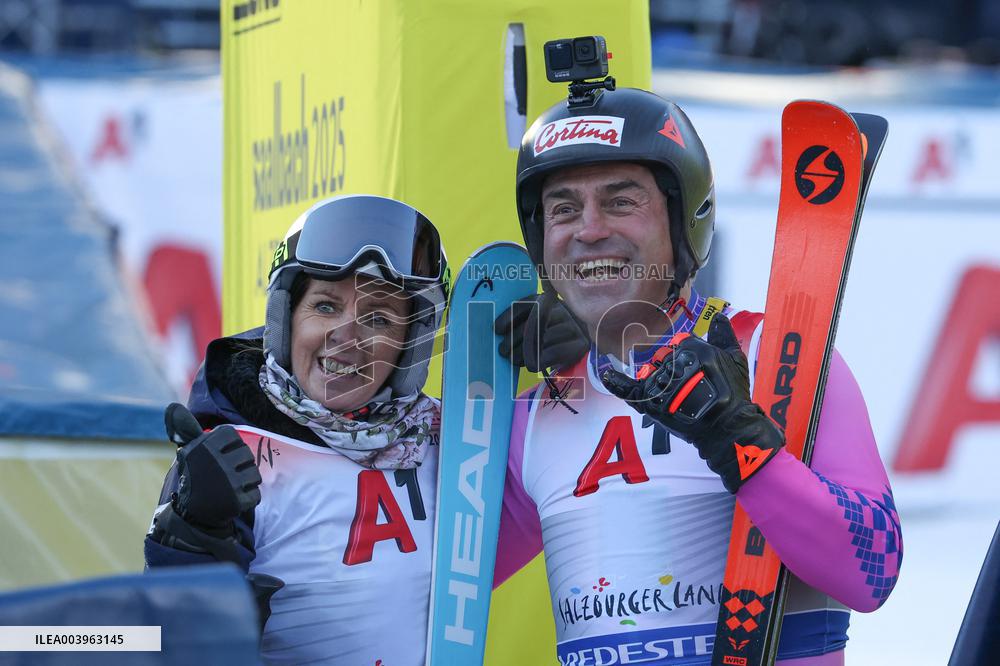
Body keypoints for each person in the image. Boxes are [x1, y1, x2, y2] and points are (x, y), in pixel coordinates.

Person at [493, 87, 902, 665]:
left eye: (620, 202)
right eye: (563, 208)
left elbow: (872, 571)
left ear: (686, 223)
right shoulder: (538, 413)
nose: (587, 230)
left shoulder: (778, 358)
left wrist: (746, 449)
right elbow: (417, 592)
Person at [144, 195, 449, 665]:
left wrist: (569, 360)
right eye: (325, 306)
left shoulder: (447, 445)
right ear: (285, 320)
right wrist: (192, 537)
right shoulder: (235, 456)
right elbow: (169, 644)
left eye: (378, 318)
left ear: (409, 346)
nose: (346, 333)